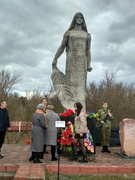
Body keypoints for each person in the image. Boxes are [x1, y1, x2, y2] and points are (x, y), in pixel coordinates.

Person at [52, 12, 92, 110]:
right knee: (70, 87)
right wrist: (55, 58)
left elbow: (88, 51)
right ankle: (69, 110)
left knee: (81, 89)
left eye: (81, 17)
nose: (79, 19)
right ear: (74, 19)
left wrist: (89, 65)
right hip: (71, 63)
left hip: (82, 64)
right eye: (77, 17)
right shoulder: (68, 33)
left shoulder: (87, 35)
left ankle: (81, 111)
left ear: (83, 20)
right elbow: (61, 47)